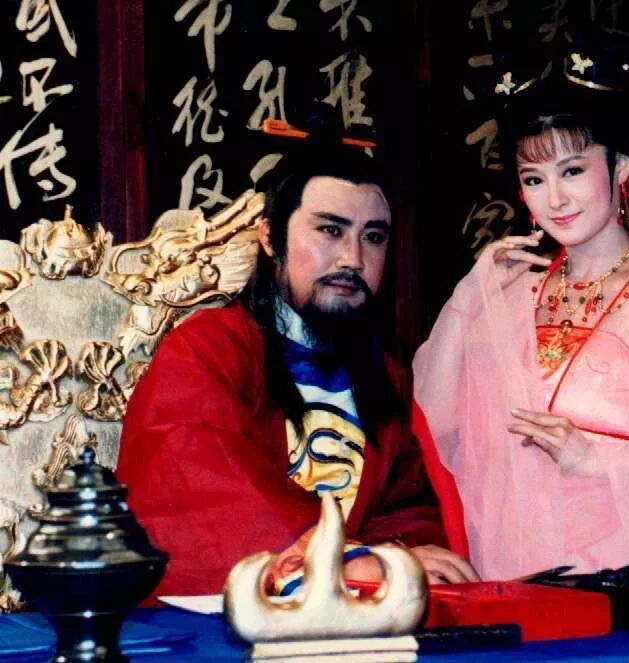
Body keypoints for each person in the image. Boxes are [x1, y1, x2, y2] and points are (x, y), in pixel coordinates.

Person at [413, 70, 629, 580]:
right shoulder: (509, 296)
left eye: (573, 171)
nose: (555, 199)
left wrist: (600, 459)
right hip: (511, 554)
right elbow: (436, 424)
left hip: (626, 558)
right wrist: (470, 297)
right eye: (534, 180)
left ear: (619, 167)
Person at [117, 145, 478, 596]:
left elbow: (407, 510)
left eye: (373, 237)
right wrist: (345, 559)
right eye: (330, 230)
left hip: (354, 612)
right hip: (229, 611)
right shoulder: (208, 348)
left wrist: (400, 554)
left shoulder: (386, 375)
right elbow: (192, 477)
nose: (353, 259)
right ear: (270, 239)